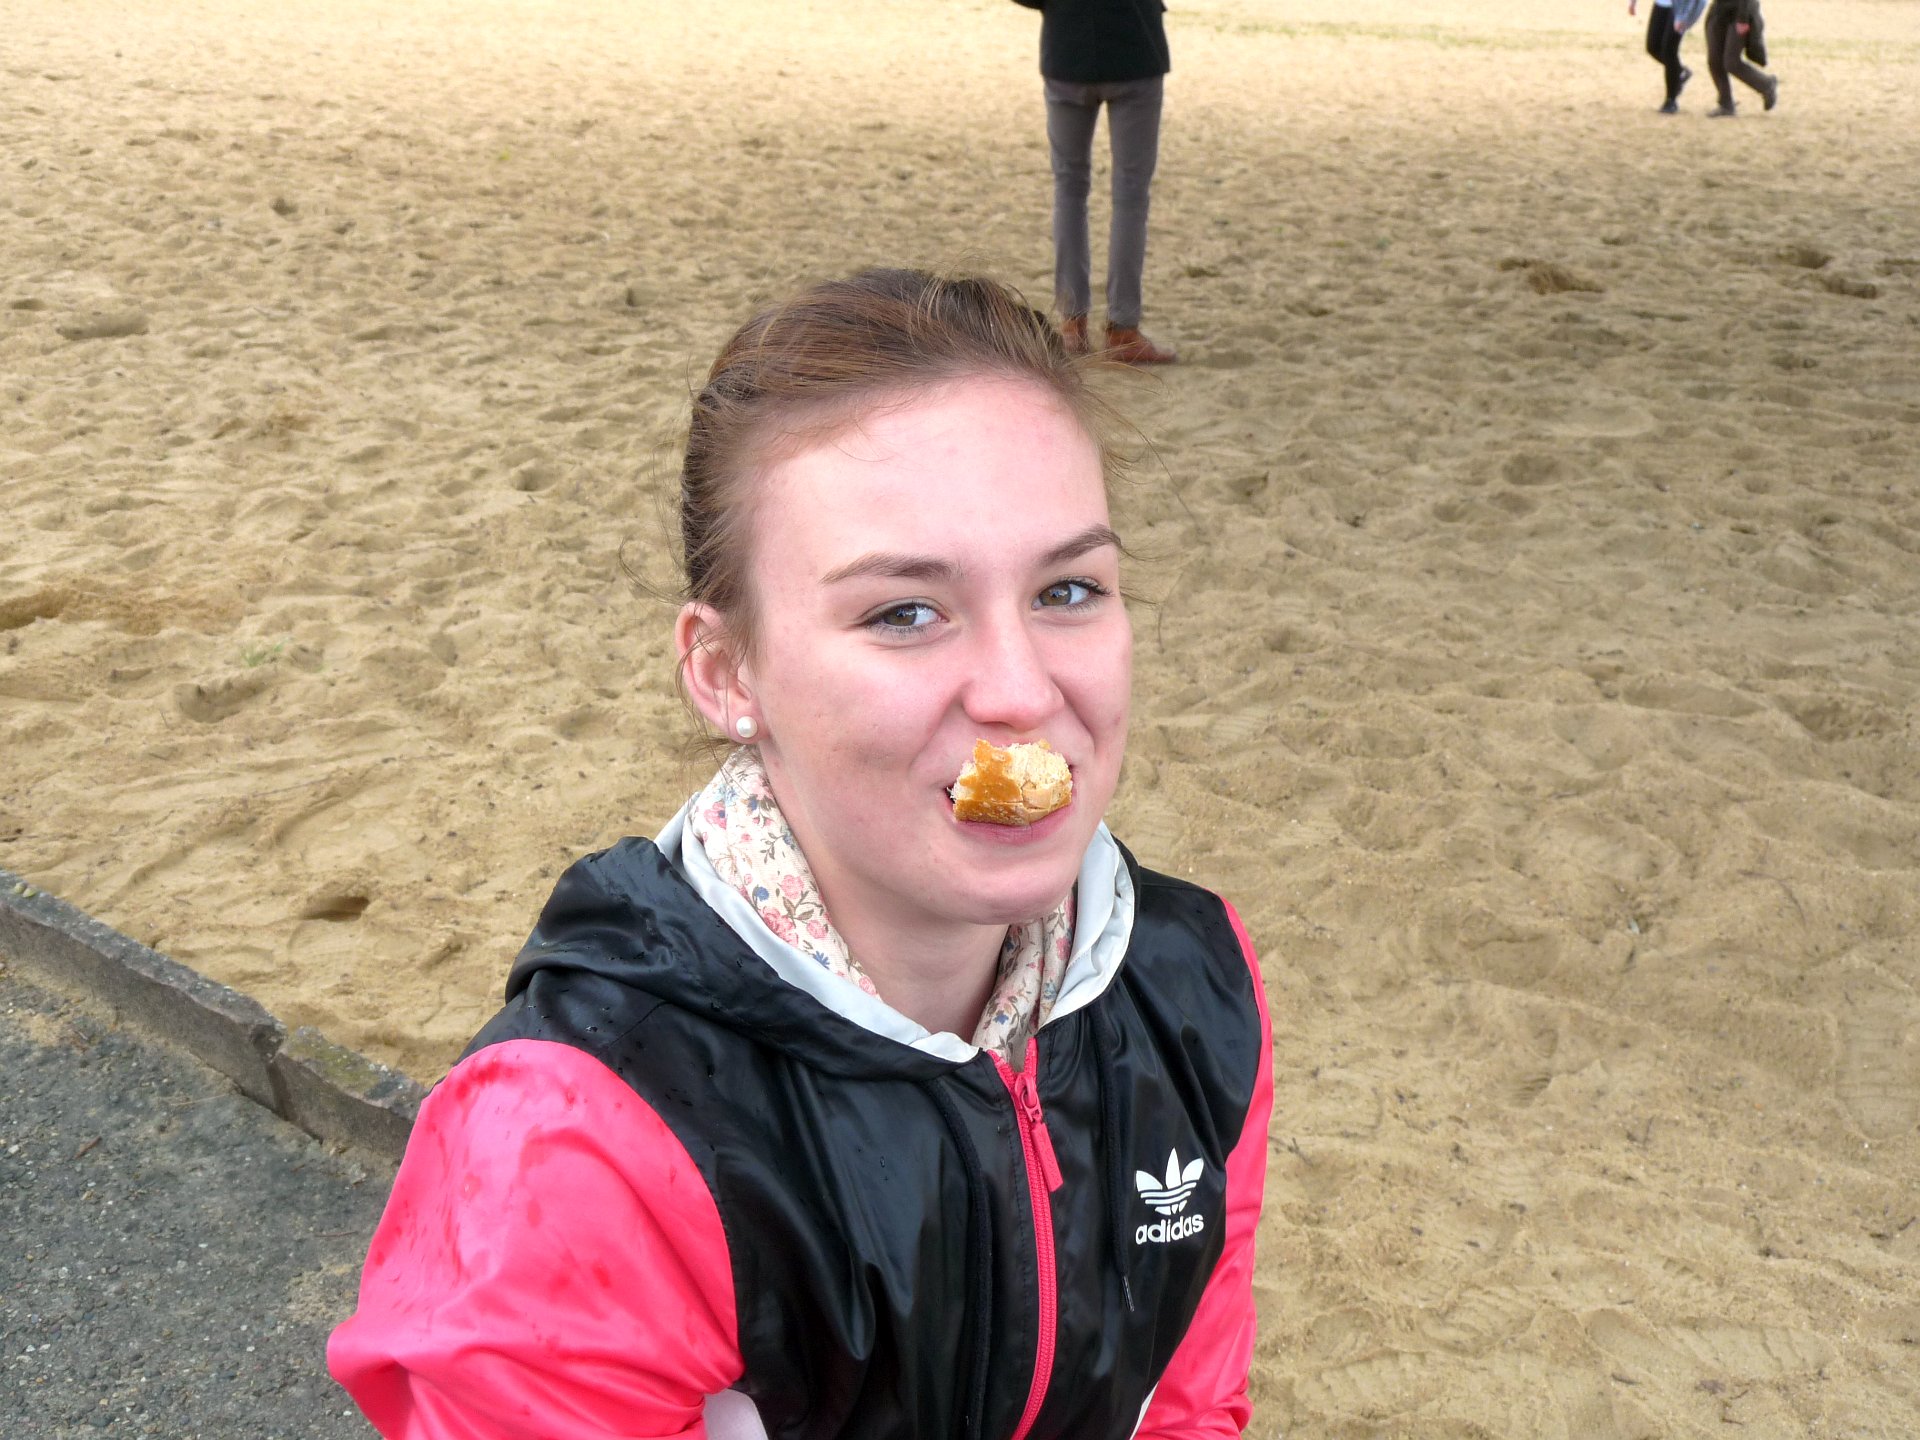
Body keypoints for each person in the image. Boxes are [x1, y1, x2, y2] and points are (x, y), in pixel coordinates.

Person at [327, 268, 1274, 1440]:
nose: (1022, 692)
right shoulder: (582, 1146)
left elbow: (1186, 1401)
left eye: (1068, 589)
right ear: (728, 672)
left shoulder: (1195, 990)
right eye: (903, 613)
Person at [1014, 0, 1178, 365]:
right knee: (1130, 196)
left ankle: (1073, 324)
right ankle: (1122, 328)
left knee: (1069, 190)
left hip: (1068, 49)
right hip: (1135, 49)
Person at [1704, 0, 1779, 116]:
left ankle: (1766, 85)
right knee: (1714, 61)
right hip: (1719, 11)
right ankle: (1726, 104)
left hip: (1740, 12)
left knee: (1731, 62)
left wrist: (1743, 18)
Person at [1629, 0, 1695, 114]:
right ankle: (1680, 71)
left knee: (1669, 51)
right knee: (1652, 47)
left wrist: (1685, 15)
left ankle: (1671, 100)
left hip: (1680, 6)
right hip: (1661, 3)